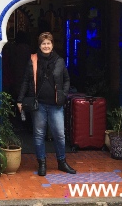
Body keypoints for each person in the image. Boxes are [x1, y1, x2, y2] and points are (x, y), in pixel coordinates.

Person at [17, 32, 76, 176]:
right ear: (40, 45)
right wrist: (20, 99)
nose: (46, 46)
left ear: (52, 45)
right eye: (43, 43)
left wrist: (64, 93)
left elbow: (67, 79)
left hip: (56, 105)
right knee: (39, 135)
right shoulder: (33, 60)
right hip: (39, 105)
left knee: (60, 135)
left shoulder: (59, 61)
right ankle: (42, 163)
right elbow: (25, 80)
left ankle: (62, 162)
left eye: (48, 43)